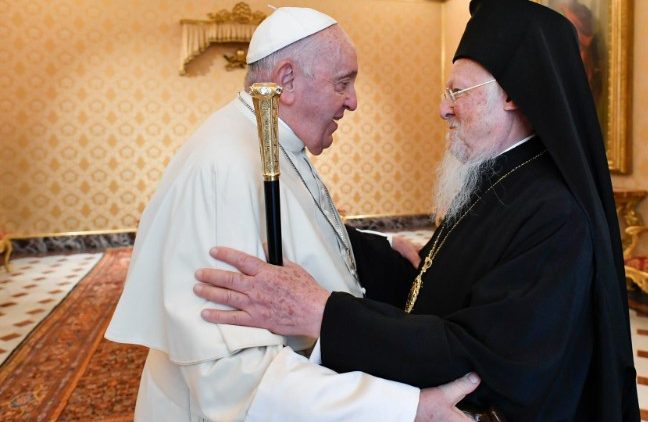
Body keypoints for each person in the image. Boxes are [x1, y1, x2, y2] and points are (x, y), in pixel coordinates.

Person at [193, 1, 640, 420]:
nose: (442, 108)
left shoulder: (555, 216)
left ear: (513, 97)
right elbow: (435, 287)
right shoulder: (497, 178)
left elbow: (477, 354)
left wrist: (323, 313)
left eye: (457, 91)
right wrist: (342, 236)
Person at [105, 6, 476, 421]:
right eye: (343, 83)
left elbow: (302, 230)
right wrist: (409, 408)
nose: (353, 102)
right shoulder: (225, 167)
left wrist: (386, 246)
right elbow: (232, 378)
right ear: (287, 80)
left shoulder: (268, 141)